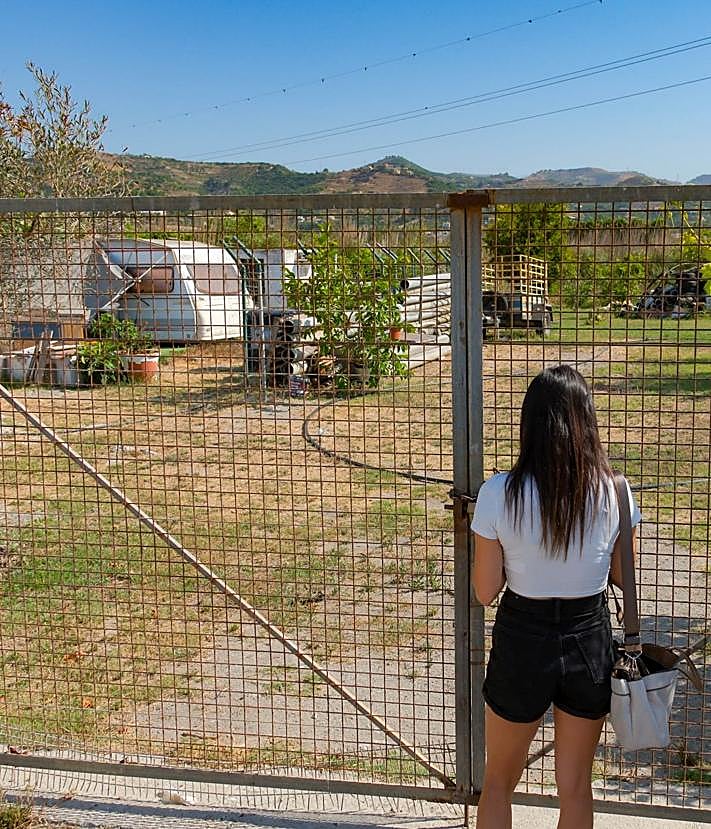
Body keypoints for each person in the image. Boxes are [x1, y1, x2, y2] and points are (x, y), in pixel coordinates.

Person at [471, 365, 641, 829]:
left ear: (530, 425)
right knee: (576, 789)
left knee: (499, 782)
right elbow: (624, 579)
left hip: (523, 637)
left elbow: (485, 591)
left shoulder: (497, 493)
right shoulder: (617, 492)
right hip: (589, 640)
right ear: (588, 423)